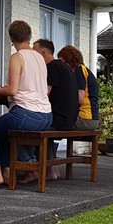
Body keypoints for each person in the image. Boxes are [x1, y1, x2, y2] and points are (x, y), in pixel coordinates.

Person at [0, 21, 52, 187]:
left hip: (25, 115)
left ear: (11, 38)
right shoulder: (40, 58)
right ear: (29, 37)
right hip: (46, 116)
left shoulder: (17, 57)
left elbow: (12, 90)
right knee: (3, 131)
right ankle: (8, 173)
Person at [28, 38, 79, 182]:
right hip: (68, 119)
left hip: (59, 120)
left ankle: (30, 167)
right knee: (40, 124)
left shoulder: (51, 67)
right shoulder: (63, 67)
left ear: (43, 53)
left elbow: (44, 94)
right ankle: (53, 170)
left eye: (35, 51)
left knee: (32, 126)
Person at [58, 44, 100, 131]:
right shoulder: (84, 70)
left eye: (62, 62)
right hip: (92, 119)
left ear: (69, 61)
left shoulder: (79, 70)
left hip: (85, 118)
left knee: (55, 123)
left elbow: (79, 98)